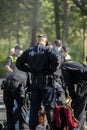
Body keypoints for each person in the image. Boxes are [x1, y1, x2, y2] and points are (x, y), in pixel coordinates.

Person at [16, 33, 59, 130]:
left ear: (37, 40)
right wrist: (51, 70)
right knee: (50, 107)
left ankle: (33, 128)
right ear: (46, 41)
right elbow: (57, 59)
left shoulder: (29, 51)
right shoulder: (48, 50)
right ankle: (53, 127)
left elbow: (18, 63)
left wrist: (29, 70)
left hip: (34, 82)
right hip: (46, 82)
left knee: (34, 108)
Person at [61, 61, 87, 130]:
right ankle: (81, 125)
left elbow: (69, 86)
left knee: (79, 106)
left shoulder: (63, 68)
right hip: (83, 79)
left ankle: (77, 127)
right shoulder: (68, 65)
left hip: (84, 81)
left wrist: (74, 99)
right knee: (82, 105)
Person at [2, 66, 29, 130]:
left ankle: (10, 127)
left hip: (6, 85)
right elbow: (30, 87)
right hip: (17, 85)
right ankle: (23, 128)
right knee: (22, 107)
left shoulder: (16, 69)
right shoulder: (28, 71)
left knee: (9, 109)